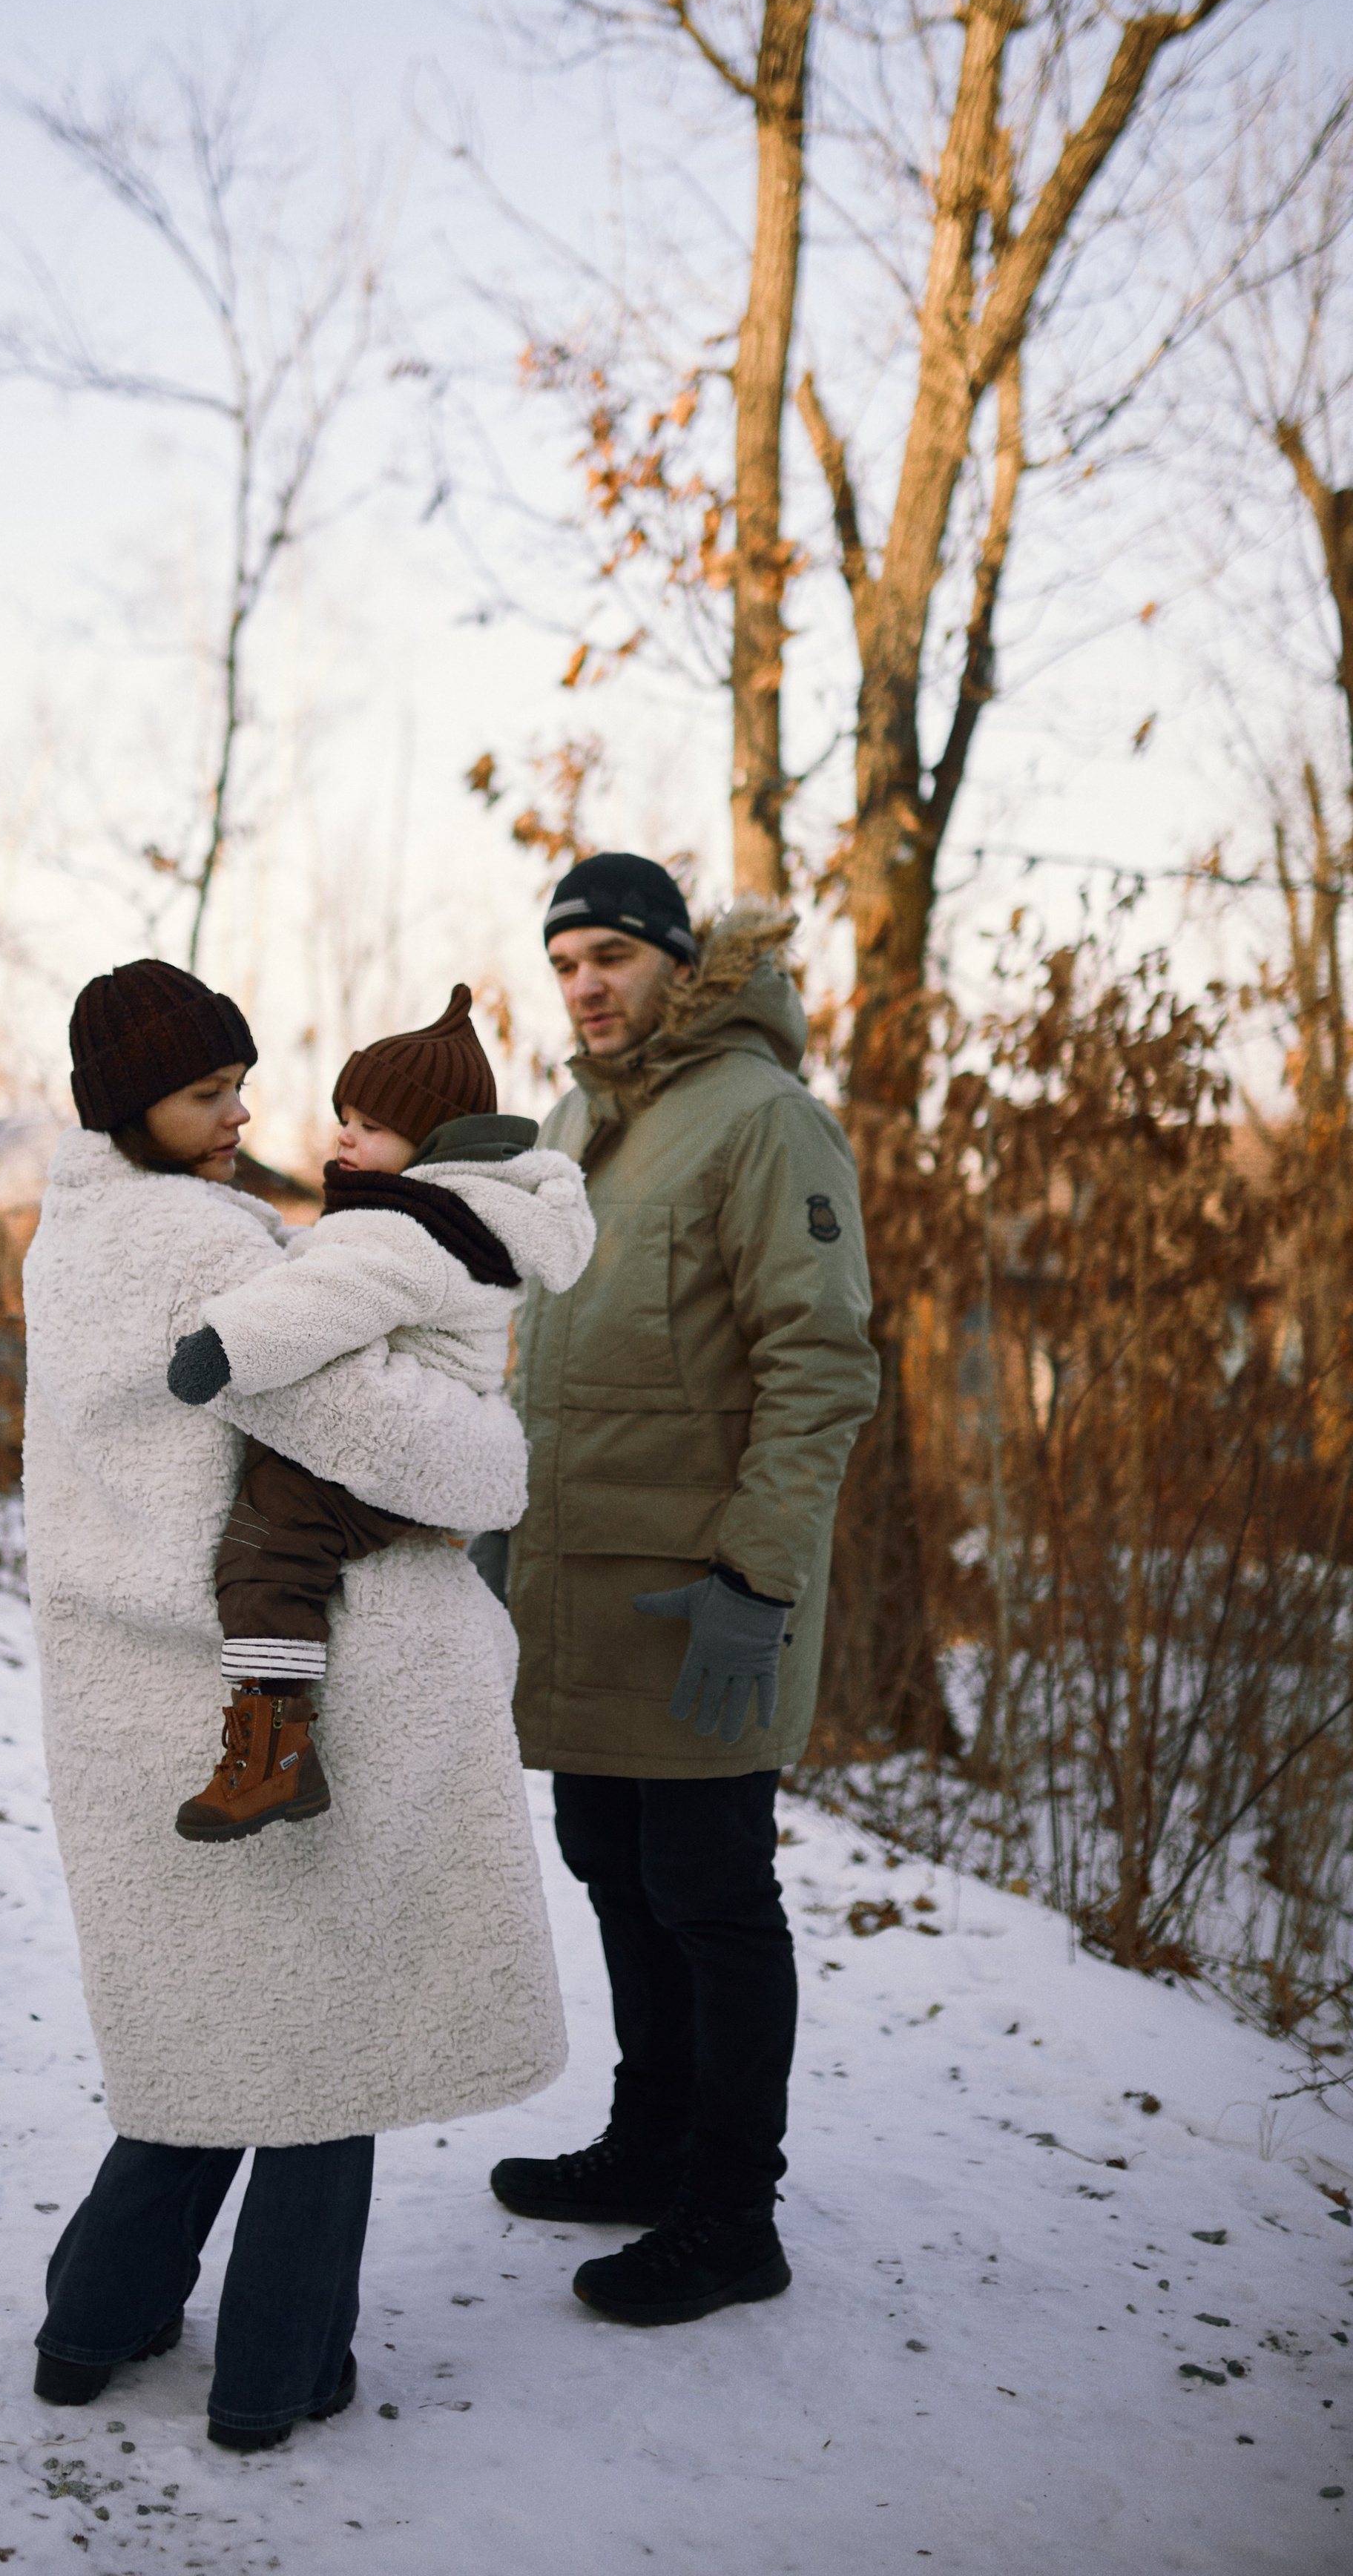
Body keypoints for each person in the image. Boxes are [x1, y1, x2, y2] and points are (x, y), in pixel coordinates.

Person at [20, 957, 566, 2451]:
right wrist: (494, 1456)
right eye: (207, 1093)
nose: (239, 1116)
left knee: (212, 2043)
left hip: (144, 1690)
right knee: (330, 2045)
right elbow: (408, 1447)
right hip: (288, 1694)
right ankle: (277, 2376)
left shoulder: (73, 1237)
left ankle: (92, 2326)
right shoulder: (214, 1254)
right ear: (129, 1104)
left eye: (240, 1087)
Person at [471, 853, 880, 2328]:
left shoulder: (764, 1119)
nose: (583, 987)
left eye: (611, 958)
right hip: (579, 1591)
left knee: (711, 1892)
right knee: (610, 1858)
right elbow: (551, 1357)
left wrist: (756, 1581)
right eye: (563, 963)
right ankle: (647, 2143)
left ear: (677, 964)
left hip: (705, 1599)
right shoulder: (577, 1123)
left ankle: (729, 2212)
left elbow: (819, 1364)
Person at [164, 984, 595, 1841]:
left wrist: (224, 1347)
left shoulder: (408, 1231)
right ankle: (274, 1748)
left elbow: (324, 1297)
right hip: (432, 1452)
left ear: (431, 1140)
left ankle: (272, 1754)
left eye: (370, 1124)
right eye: (344, 1117)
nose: (345, 1136)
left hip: (389, 1452)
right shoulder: (460, 1217)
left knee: (266, 1548)